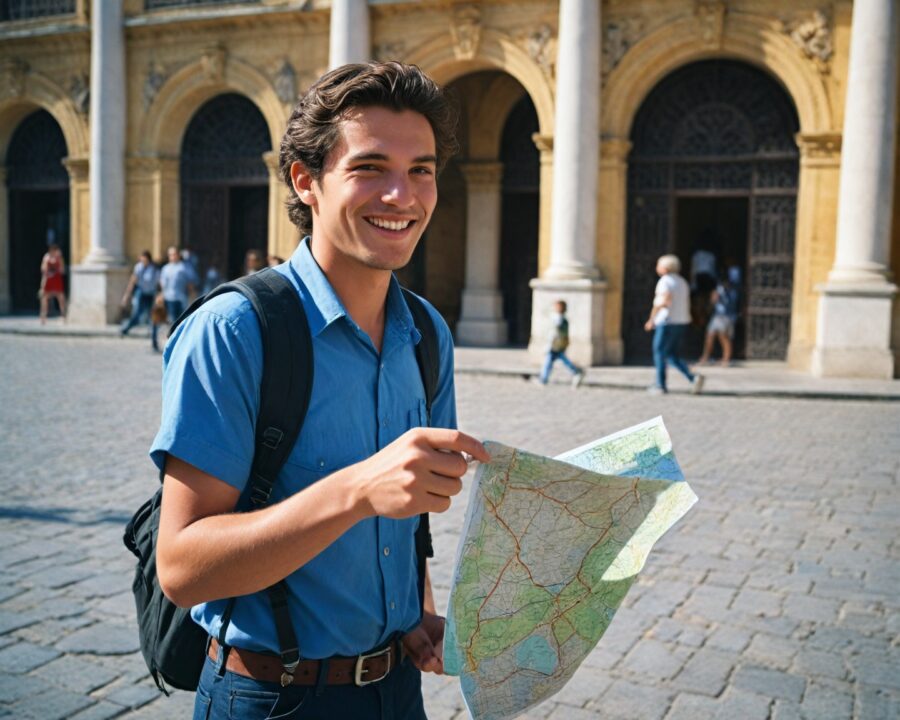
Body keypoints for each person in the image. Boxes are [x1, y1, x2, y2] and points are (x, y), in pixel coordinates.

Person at [151, 61, 490, 720]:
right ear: (306, 181)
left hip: (398, 691)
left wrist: (416, 612)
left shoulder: (427, 334)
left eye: (421, 170)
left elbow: (409, 508)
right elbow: (183, 566)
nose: (403, 195)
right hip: (269, 697)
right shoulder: (237, 330)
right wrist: (355, 490)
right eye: (370, 168)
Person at [644, 254, 704, 395]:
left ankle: (660, 384)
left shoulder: (665, 281)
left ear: (665, 268)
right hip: (681, 321)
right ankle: (692, 377)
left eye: (658, 265)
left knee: (659, 352)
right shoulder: (682, 282)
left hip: (666, 322)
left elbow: (663, 301)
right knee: (671, 354)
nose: (656, 267)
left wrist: (652, 319)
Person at [536, 299, 584, 387]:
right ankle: (544, 378)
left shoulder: (558, 319)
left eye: (556, 306)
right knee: (553, 361)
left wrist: (549, 344)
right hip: (559, 344)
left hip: (556, 344)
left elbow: (554, 333)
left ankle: (544, 379)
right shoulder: (563, 319)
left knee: (553, 361)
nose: (554, 308)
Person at [697, 278, 740, 367]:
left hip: (723, 316)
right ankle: (714, 358)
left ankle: (724, 359)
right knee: (713, 336)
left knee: (722, 337)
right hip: (722, 316)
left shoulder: (721, 290)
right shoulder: (733, 290)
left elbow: (714, 300)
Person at [120, 250, 160, 337]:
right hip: (140, 292)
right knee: (137, 313)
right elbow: (133, 281)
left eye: (144, 259)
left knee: (151, 314)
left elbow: (158, 283)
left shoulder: (154, 269)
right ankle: (126, 328)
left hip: (150, 294)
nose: (142, 261)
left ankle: (153, 334)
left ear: (148, 259)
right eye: (141, 259)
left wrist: (158, 295)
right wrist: (127, 295)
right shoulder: (138, 267)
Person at [39, 242, 66, 324]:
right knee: (45, 299)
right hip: (49, 280)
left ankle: (63, 316)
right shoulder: (46, 257)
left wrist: (60, 259)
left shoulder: (59, 258)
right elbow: (43, 269)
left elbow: (62, 270)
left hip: (57, 280)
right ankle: (43, 317)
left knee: (61, 298)